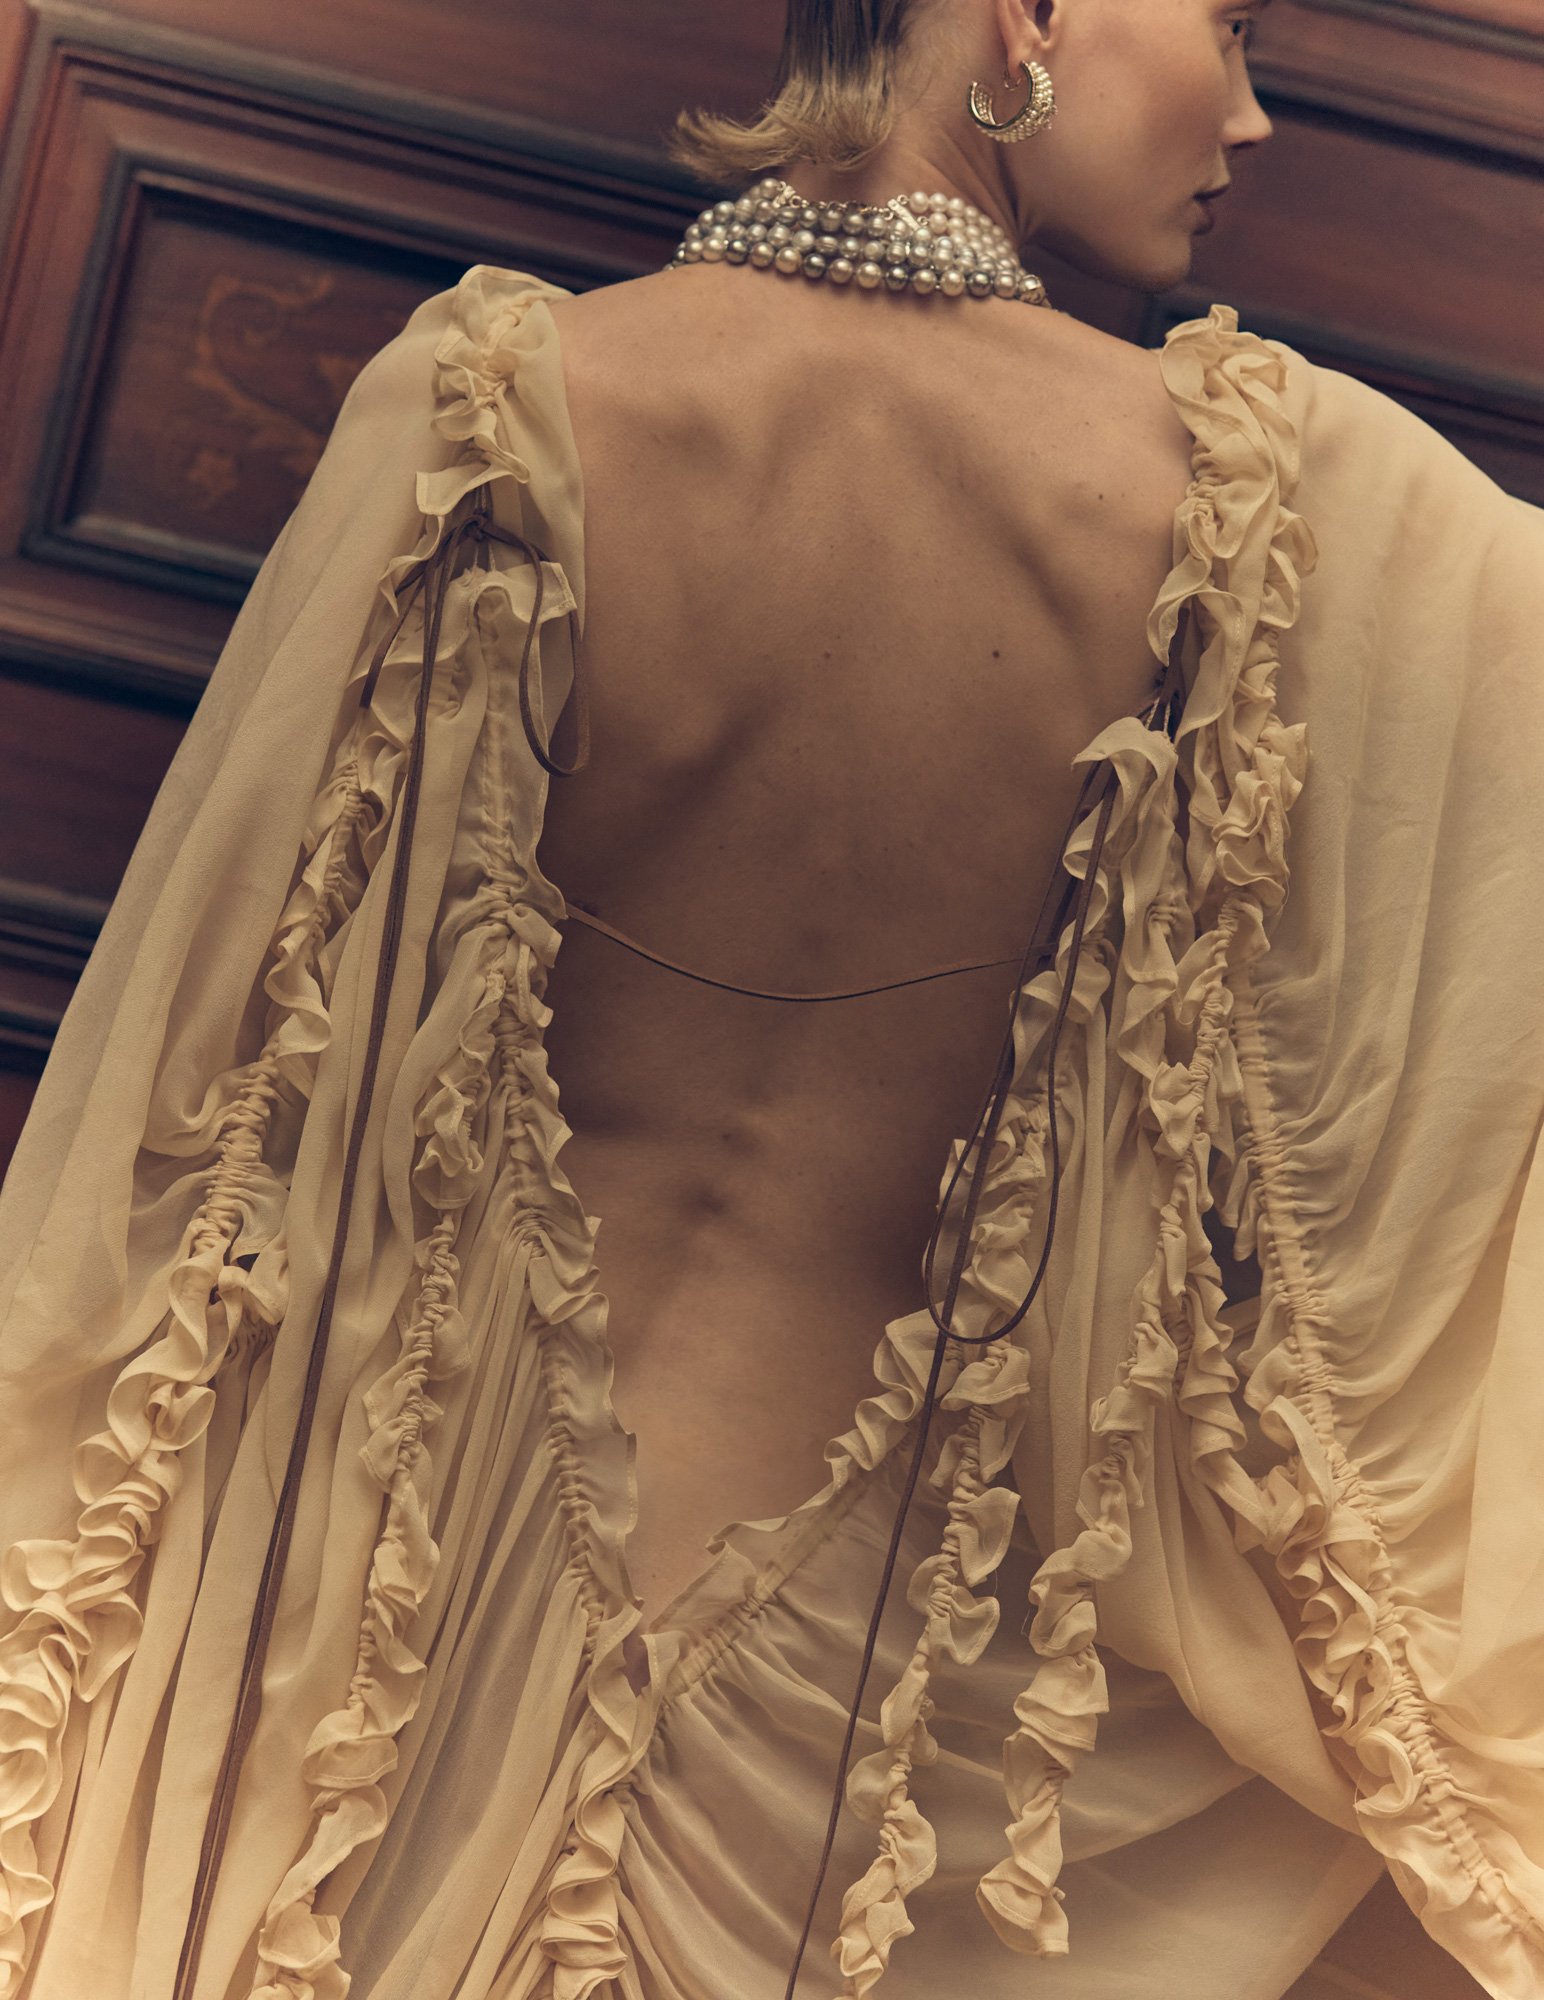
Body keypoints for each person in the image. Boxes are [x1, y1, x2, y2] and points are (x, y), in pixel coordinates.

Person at [0, 0, 1540, 1993]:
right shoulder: (1270, 521)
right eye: (1225, 21)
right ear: (1027, 15)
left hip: (376, 1672)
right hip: (859, 1769)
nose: (1248, 111)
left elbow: (197, 1108)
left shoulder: (493, 404)